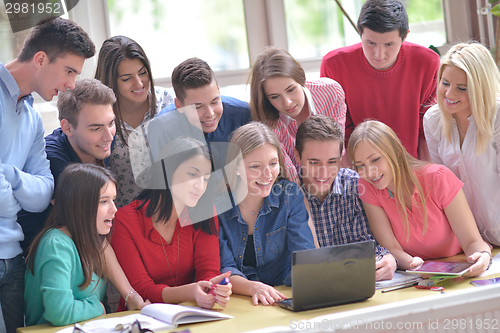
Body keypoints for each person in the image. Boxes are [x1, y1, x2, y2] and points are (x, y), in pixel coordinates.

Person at [0, 17, 94, 332]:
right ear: (40, 59)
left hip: (12, 261)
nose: (72, 84)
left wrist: (9, 176)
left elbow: (42, 196)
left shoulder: (31, 118)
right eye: (69, 71)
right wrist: (15, 199)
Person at [348, 120, 492, 277]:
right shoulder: (367, 187)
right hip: (415, 275)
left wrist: (482, 256)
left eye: (375, 159)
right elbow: (392, 248)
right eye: (360, 166)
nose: (370, 172)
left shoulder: (438, 178)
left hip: (459, 267)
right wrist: (413, 264)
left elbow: (472, 242)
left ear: (396, 151)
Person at [111, 137, 232, 311]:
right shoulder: (124, 221)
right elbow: (141, 289)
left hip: (191, 313)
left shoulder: (205, 211)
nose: (200, 186)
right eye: (192, 174)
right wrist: (191, 292)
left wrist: (213, 288)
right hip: (140, 318)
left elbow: (208, 270)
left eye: (206, 179)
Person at [321, 0, 440, 160]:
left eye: (389, 44)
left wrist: (424, 178)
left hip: (412, 167)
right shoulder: (334, 65)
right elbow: (339, 133)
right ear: (360, 33)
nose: (379, 54)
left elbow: (426, 130)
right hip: (359, 168)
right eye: (371, 43)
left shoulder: (427, 63)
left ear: (405, 37)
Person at [219, 122, 315, 306]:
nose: (267, 174)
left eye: (273, 163)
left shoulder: (289, 196)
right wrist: (252, 287)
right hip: (238, 301)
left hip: (284, 296)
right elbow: (224, 268)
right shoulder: (218, 206)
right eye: (255, 166)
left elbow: (303, 256)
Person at [25, 164, 134, 326]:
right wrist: (98, 307)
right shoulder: (56, 244)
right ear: (80, 204)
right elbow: (60, 312)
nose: (115, 209)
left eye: (114, 200)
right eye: (104, 201)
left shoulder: (89, 239)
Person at [19, 78, 117, 253]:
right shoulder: (52, 160)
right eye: (96, 128)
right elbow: (93, 234)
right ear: (67, 128)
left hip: (76, 251)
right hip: (37, 259)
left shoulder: (97, 146)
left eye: (111, 123)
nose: (108, 136)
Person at [294, 115, 396, 281]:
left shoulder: (356, 186)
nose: (324, 173)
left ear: (341, 158)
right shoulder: (287, 197)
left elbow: (370, 247)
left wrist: (389, 261)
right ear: (297, 156)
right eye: (314, 163)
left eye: (332, 162)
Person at [424, 42, 500, 246]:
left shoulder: (497, 117)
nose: (449, 94)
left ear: (479, 88)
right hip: (468, 240)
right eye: (445, 83)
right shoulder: (432, 120)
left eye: (461, 88)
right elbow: (443, 185)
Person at [95, 35, 175, 208]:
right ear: (111, 82)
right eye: (126, 78)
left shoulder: (169, 101)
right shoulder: (100, 117)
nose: (139, 83)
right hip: (125, 220)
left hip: (174, 212)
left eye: (143, 73)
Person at [249, 47, 346, 183]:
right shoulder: (268, 122)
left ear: (300, 79)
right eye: (275, 96)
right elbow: (290, 174)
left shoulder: (331, 92)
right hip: (294, 188)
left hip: (331, 178)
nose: (287, 103)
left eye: (291, 89)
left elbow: (337, 151)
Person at [148, 57, 251, 168]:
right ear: (179, 105)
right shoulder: (161, 128)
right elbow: (163, 180)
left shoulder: (242, 114)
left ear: (219, 91)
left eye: (215, 101)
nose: (210, 113)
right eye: (197, 107)